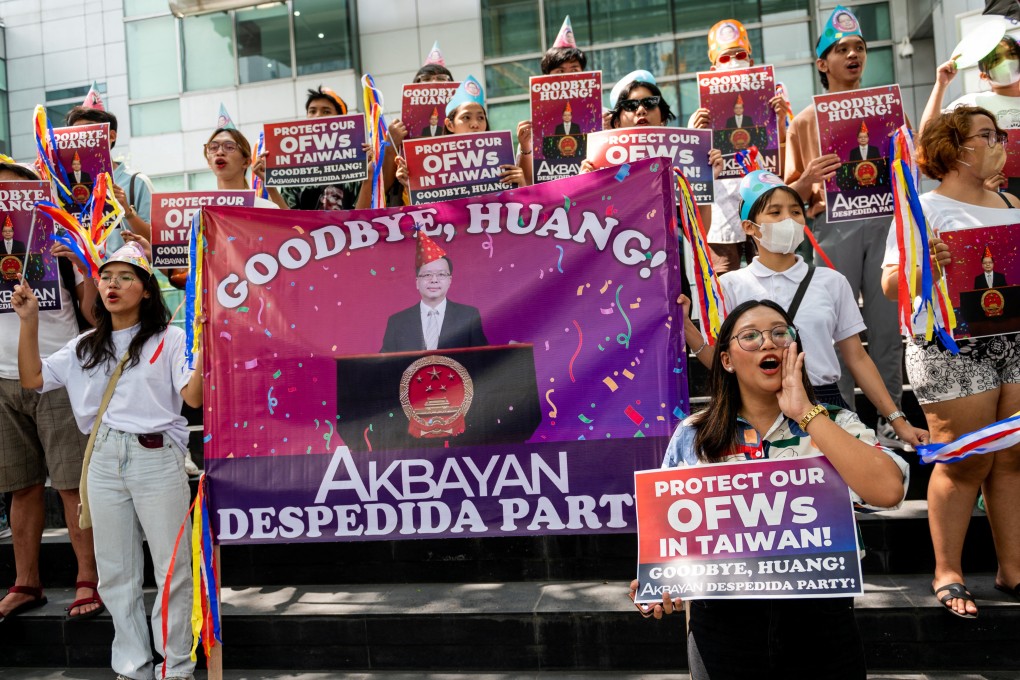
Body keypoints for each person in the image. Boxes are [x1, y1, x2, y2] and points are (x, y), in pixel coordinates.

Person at [629, 299, 908, 679]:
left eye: (780, 333)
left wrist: (806, 414)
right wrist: (661, 584)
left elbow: (889, 490)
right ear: (726, 360)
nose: (768, 343)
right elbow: (672, 542)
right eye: (751, 336)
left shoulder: (836, 422)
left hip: (819, 620)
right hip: (724, 626)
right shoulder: (694, 434)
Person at [13, 239, 202, 679]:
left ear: (147, 289)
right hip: (101, 458)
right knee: (116, 572)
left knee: (171, 568)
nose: (112, 285)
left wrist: (204, 344)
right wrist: (30, 322)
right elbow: (32, 378)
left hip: (155, 456)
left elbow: (192, 396)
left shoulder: (171, 338)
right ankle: (133, 665)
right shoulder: (83, 346)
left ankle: (175, 666)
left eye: (126, 277)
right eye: (107, 277)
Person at [881, 105, 1020, 618]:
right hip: (951, 349)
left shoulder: (1011, 201)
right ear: (955, 148)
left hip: (1014, 341)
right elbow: (890, 284)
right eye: (987, 134)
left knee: (1011, 457)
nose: (998, 142)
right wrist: (922, 267)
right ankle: (948, 571)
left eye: (998, 133)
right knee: (965, 458)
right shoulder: (925, 208)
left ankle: (1013, 570)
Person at [681, 170, 927, 446]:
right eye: (775, 213)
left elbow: (857, 357)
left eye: (796, 212)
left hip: (824, 403)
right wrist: (688, 329)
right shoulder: (728, 286)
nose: (788, 219)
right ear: (749, 227)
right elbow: (723, 360)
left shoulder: (831, 281)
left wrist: (897, 420)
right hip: (757, 409)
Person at [784, 5, 906, 448]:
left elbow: (907, 170)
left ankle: (890, 419)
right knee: (836, 332)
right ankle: (847, 424)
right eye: (841, 49)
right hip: (834, 230)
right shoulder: (803, 122)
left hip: (885, 226)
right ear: (822, 63)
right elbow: (787, 196)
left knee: (886, 329)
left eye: (859, 47)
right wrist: (808, 180)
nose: (853, 54)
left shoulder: (886, 111)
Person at [0, 161, 102, 624]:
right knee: (20, 487)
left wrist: (81, 261)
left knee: (69, 484)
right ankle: (26, 583)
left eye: (17, 192)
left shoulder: (61, 240)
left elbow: (93, 314)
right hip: (3, 381)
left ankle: (88, 580)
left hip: (57, 374)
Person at [687, 19, 789, 275]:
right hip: (721, 211)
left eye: (740, 55)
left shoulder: (770, 105)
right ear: (713, 67)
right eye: (725, 58)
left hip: (761, 202)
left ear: (751, 62)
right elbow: (694, 169)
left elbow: (784, 158)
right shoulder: (702, 114)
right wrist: (696, 132)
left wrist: (779, 121)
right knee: (723, 277)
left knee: (770, 272)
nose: (733, 61)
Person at [920, 31, 1020, 194]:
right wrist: (941, 84)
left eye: (1012, 55)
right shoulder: (974, 104)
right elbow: (929, 136)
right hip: (998, 201)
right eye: (996, 59)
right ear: (983, 74)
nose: (1007, 62)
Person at [395, 76, 528, 190]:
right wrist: (412, 186)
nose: (475, 123)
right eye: (466, 117)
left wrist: (520, 184)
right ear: (450, 125)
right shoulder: (433, 168)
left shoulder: (502, 161)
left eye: (481, 117)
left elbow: (517, 209)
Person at [380, 230, 487, 353]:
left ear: (449, 280)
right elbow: (384, 363)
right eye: (427, 275)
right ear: (417, 282)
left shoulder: (468, 316)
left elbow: (482, 357)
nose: (434, 280)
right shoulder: (397, 321)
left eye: (441, 274)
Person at [66, 104, 154, 251]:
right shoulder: (63, 186)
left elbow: (157, 241)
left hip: (126, 271)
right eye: (76, 134)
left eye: (90, 132)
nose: (83, 139)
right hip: (83, 273)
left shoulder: (136, 182)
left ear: (111, 136)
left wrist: (128, 212)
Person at [277, 87, 371, 211]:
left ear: (341, 119)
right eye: (312, 111)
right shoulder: (293, 164)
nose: (317, 116)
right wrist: (268, 183)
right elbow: (287, 217)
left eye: (326, 111)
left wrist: (369, 170)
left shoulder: (358, 160)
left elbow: (364, 214)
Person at [205, 125, 282, 209]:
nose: (219, 152)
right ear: (209, 162)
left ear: (246, 162)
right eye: (213, 147)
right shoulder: (200, 212)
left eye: (229, 147)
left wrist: (269, 183)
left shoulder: (267, 209)